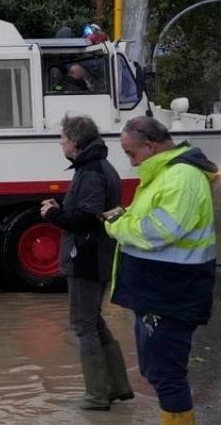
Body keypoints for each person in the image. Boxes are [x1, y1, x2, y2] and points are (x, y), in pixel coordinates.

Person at [106, 116, 217, 425]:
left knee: (167, 375)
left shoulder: (180, 177)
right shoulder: (166, 174)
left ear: (150, 147)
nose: (130, 161)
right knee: (156, 371)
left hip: (171, 295)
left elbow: (158, 231)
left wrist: (116, 224)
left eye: (130, 153)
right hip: (160, 294)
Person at [39, 115, 134, 411]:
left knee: (83, 324)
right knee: (93, 320)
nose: (60, 143)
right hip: (97, 254)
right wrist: (61, 209)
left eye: (63, 139)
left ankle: (96, 395)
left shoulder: (91, 171)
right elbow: (89, 212)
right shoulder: (99, 167)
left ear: (76, 143)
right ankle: (117, 386)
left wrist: (52, 215)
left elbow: (85, 217)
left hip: (87, 257)